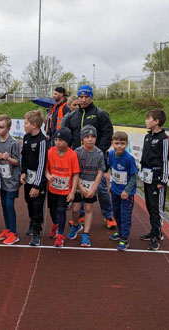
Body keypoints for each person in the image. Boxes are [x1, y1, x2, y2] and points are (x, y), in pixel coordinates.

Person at [63, 85, 116, 229]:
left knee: (101, 188)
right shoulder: (71, 116)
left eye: (87, 97)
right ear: (78, 97)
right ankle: (80, 215)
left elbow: (107, 133)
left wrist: (99, 151)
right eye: (81, 97)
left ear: (91, 97)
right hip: (77, 158)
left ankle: (108, 215)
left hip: (95, 158)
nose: (84, 99)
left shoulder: (100, 114)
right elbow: (65, 134)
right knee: (78, 187)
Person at [139, 109, 169, 251]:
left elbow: (165, 161)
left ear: (156, 122)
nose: (146, 121)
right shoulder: (147, 137)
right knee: (149, 205)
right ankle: (154, 231)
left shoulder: (164, 139)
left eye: (148, 118)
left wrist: (163, 180)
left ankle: (156, 236)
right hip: (147, 177)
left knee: (157, 207)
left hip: (157, 179)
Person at [70, 125, 104, 247]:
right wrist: (80, 187)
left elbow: (100, 172)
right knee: (75, 209)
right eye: (87, 137)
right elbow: (74, 172)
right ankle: (76, 225)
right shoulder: (77, 152)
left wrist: (93, 189)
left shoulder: (99, 153)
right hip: (78, 185)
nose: (90, 139)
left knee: (89, 209)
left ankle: (86, 234)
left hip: (91, 186)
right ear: (82, 138)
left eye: (93, 137)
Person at [45, 127, 79, 248]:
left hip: (65, 190)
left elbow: (76, 174)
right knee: (52, 209)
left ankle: (60, 235)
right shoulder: (50, 152)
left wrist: (72, 192)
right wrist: (48, 176)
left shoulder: (72, 155)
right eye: (56, 139)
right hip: (52, 188)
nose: (58, 142)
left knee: (61, 210)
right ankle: (55, 223)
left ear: (67, 141)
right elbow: (45, 169)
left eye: (61, 140)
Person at [20, 109, 48, 246]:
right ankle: (32, 221)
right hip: (28, 177)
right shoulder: (26, 138)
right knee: (28, 201)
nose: (24, 125)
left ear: (34, 125)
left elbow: (42, 164)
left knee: (37, 205)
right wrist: (23, 172)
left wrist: (37, 185)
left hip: (39, 179)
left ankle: (36, 232)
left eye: (26, 123)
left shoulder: (42, 141)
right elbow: (23, 157)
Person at [0, 115, 21, 245]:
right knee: (4, 204)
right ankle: (8, 229)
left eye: (1, 127)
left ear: (8, 128)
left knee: (9, 204)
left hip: (12, 180)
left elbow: (17, 162)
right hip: (1, 180)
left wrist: (7, 158)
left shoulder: (13, 143)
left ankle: (14, 233)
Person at [108, 131, 138, 251]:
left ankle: (124, 239)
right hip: (115, 190)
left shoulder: (129, 159)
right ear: (112, 143)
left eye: (122, 143)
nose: (119, 146)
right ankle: (120, 232)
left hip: (127, 193)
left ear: (126, 144)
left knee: (125, 215)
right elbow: (112, 170)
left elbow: (134, 176)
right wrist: (112, 183)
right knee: (116, 213)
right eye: (116, 143)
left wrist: (126, 191)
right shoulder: (110, 154)